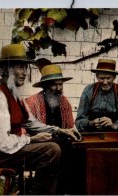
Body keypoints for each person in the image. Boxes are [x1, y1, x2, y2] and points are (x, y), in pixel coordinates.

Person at [0, 43, 80, 195]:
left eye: (25, 67)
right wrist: (32, 139)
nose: (24, 72)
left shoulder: (13, 91)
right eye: (19, 67)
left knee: (63, 142)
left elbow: (30, 122)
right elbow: (2, 142)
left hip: (9, 146)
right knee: (51, 151)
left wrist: (60, 130)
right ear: (5, 69)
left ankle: (59, 191)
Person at [75, 59, 118, 192]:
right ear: (96, 76)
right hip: (91, 134)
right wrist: (91, 123)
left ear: (114, 77)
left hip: (114, 135)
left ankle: (117, 190)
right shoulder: (88, 91)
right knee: (78, 155)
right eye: (101, 78)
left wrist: (113, 125)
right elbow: (78, 122)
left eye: (108, 78)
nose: (105, 82)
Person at [25, 59, 79, 194]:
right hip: (39, 142)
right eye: (54, 85)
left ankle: (65, 190)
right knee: (63, 147)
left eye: (60, 84)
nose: (59, 88)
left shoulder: (64, 102)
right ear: (45, 86)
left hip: (61, 141)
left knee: (75, 148)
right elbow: (25, 128)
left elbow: (70, 125)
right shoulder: (32, 102)